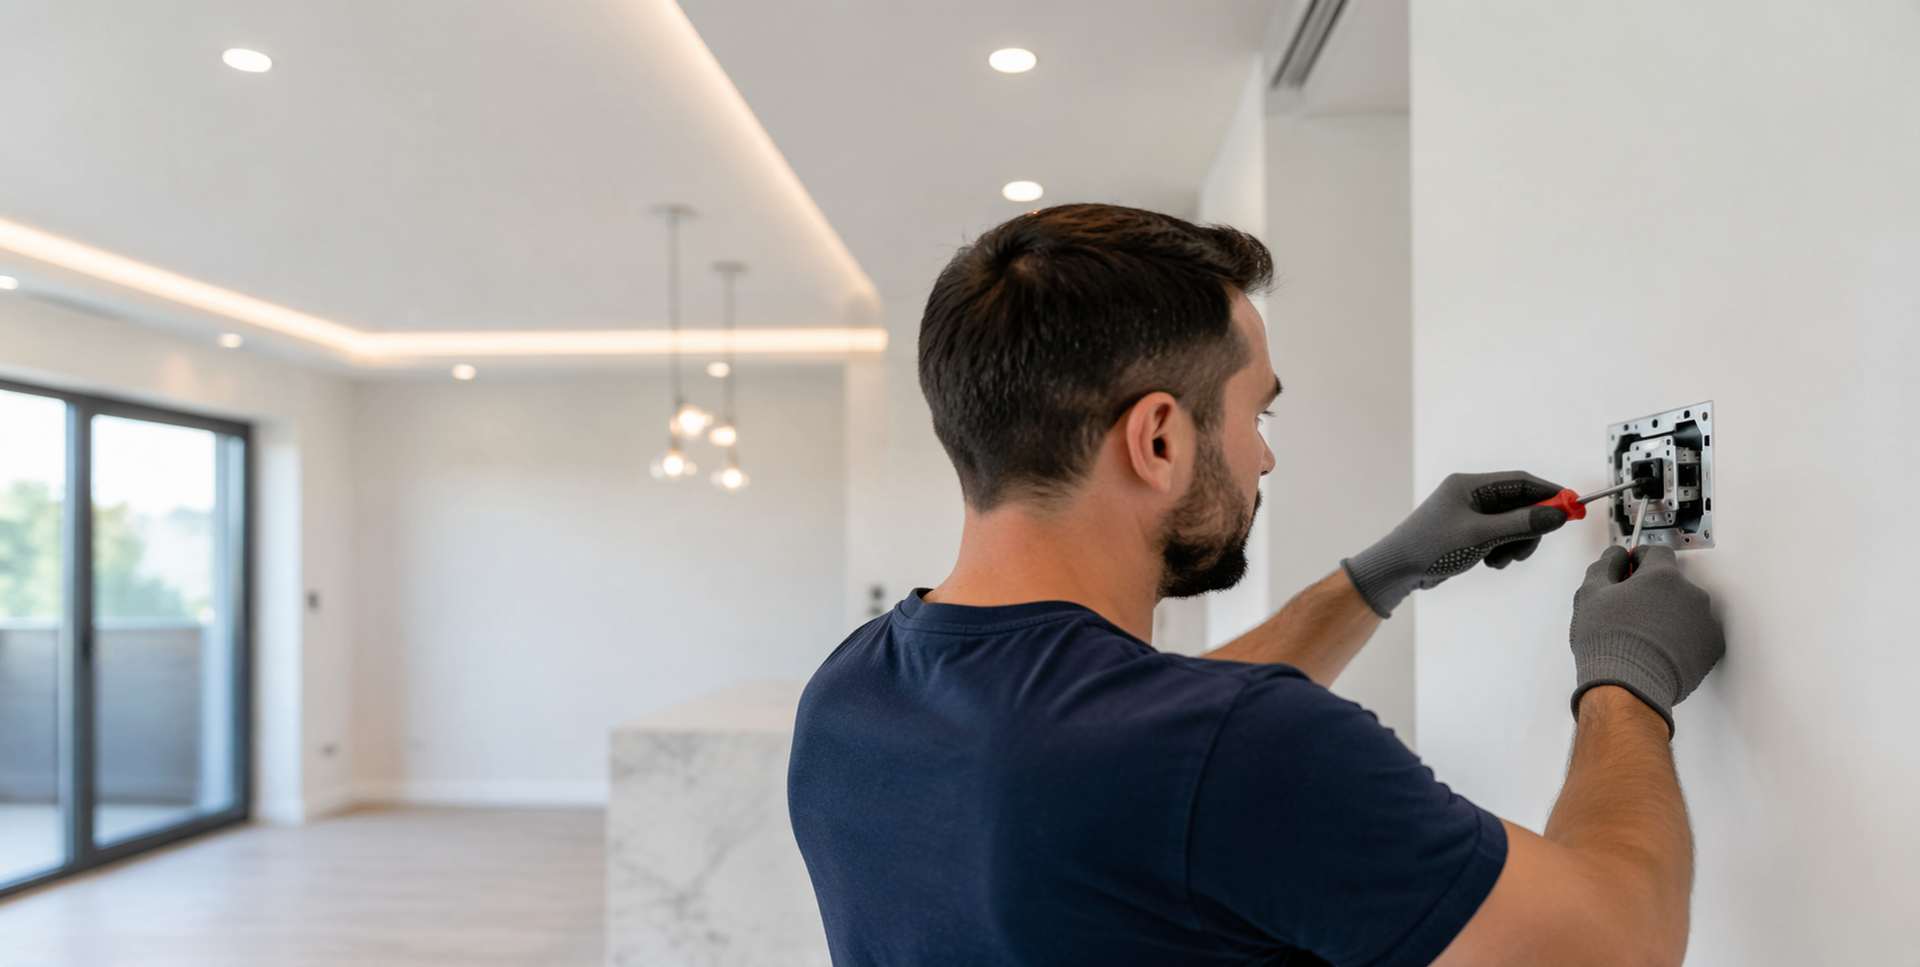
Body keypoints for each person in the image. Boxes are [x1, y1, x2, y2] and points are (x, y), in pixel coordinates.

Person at [787, 203, 1725, 966]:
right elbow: (1617, 946)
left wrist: (1377, 577)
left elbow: (1134, 753)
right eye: (1254, 412)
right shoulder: (1231, 749)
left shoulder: (849, 696)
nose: (1263, 456)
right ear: (1158, 439)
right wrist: (1625, 676)